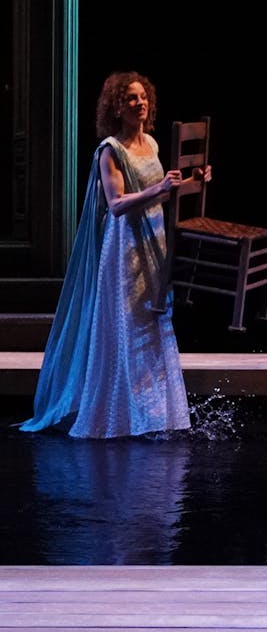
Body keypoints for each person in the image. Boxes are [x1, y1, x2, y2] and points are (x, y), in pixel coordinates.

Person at [20, 71, 208, 439]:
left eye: (143, 97)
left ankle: (153, 416)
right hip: (125, 251)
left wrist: (193, 181)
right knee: (126, 328)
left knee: (151, 325)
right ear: (116, 108)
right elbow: (118, 204)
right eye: (131, 99)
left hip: (153, 243)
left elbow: (161, 193)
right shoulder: (111, 149)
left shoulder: (151, 144)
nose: (140, 104)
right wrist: (161, 187)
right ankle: (117, 415)